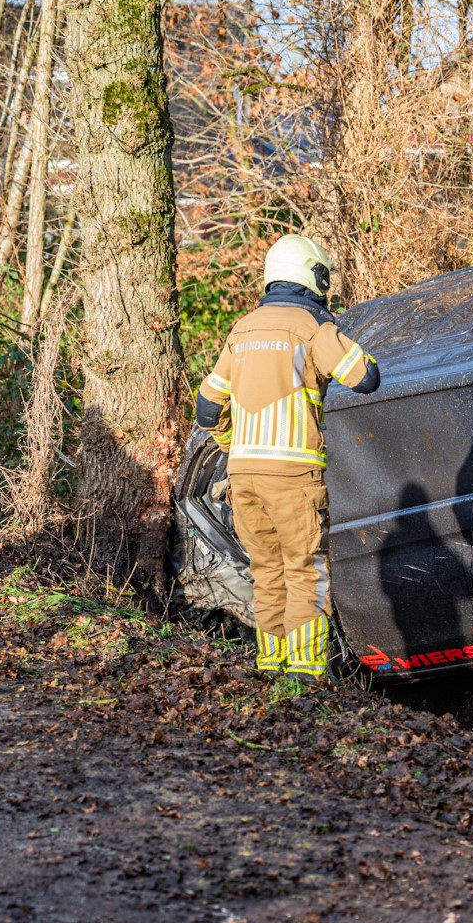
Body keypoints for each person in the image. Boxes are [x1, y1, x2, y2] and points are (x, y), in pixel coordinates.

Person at [195, 235, 380, 682]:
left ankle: (270, 669)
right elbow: (366, 377)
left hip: (244, 476)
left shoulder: (242, 330)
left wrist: (230, 443)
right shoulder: (311, 328)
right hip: (293, 476)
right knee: (305, 571)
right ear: (312, 275)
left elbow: (206, 405)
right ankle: (307, 677)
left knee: (267, 572)